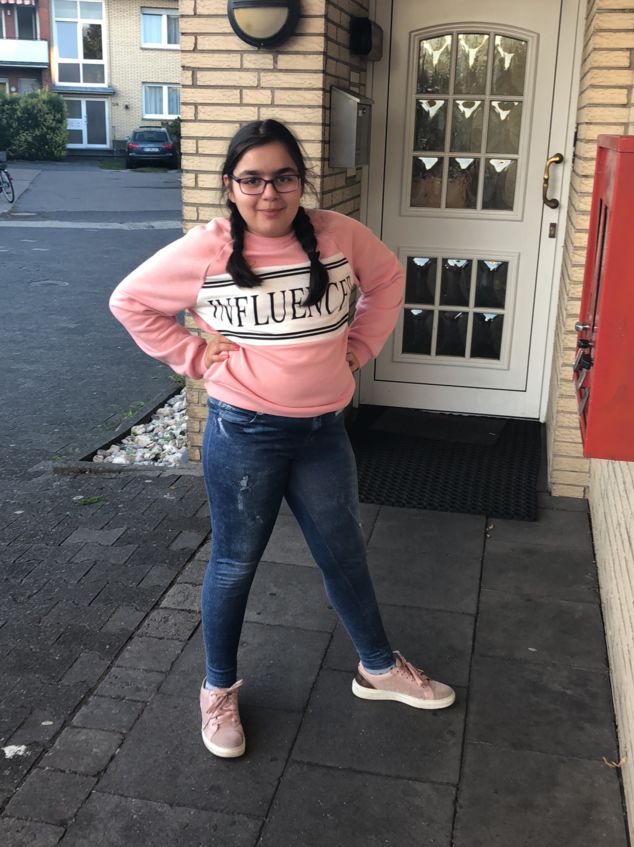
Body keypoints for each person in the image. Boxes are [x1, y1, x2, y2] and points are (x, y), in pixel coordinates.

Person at [110, 119, 455, 760]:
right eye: (252, 180)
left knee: (344, 554)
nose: (268, 193)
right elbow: (129, 302)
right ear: (230, 186)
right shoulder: (206, 250)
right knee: (235, 563)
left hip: (323, 430)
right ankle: (217, 689)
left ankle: (378, 667)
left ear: (301, 181)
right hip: (245, 432)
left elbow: (387, 281)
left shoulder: (337, 234)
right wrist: (193, 356)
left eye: (283, 177)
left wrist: (359, 346)